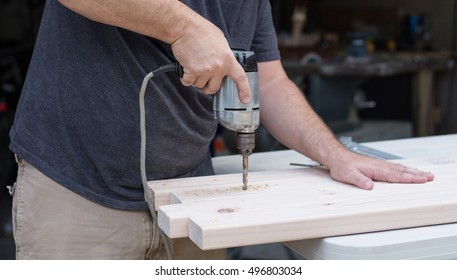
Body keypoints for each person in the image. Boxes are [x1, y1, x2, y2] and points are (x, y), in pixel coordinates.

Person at [8, 0, 434, 260]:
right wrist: (183, 27)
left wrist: (335, 154)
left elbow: (267, 81)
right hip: (78, 193)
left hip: (191, 201)